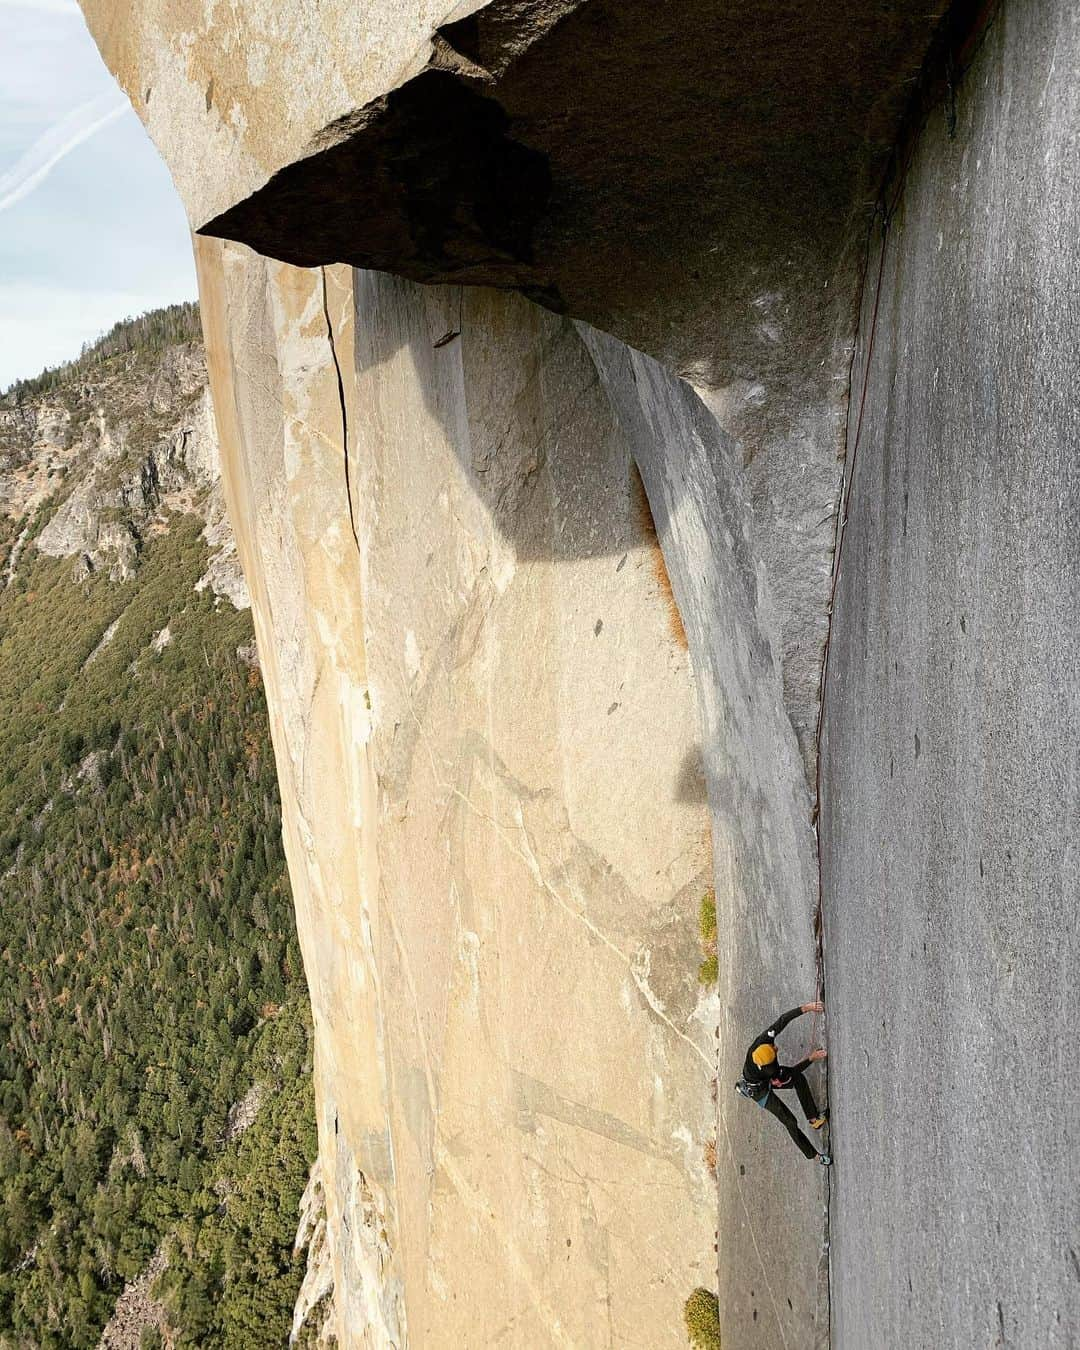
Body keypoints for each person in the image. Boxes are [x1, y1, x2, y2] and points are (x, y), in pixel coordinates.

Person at [735, 1000, 831, 1165]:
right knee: (790, 1121)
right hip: (760, 1093)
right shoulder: (772, 1071)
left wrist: (807, 1008)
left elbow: (782, 1020)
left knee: (799, 1081)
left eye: (773, 1048)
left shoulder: (761, 1043)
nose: (776, 1049)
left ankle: (814, 1120)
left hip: (761, 1078)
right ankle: (815, 1156)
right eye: (774, 1052)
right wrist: (811, 1058)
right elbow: (792, 1072)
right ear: (768, 1066)